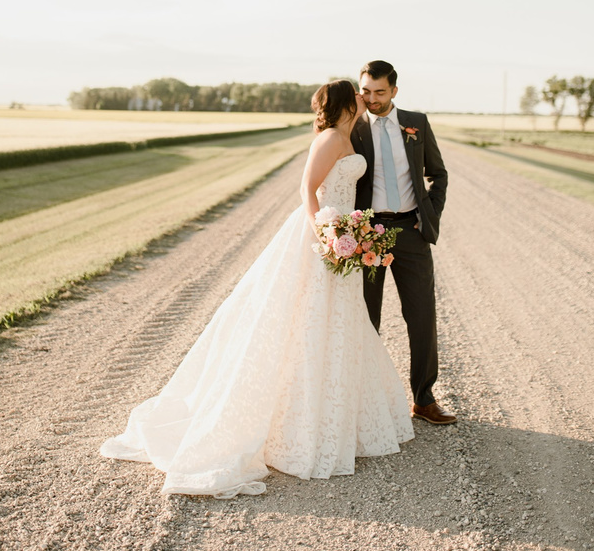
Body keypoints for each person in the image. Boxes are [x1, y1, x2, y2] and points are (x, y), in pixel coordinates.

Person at [100, 79, 413, 497]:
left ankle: (335, 416)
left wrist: (351, 233)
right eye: (356, 92)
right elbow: (307, 190)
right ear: (343, 102)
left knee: (337, 321)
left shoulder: (347, 136)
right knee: (305, 318)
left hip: (344, 233)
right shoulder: (328, 139)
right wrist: (326, 234)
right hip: (322, 236)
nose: (363, 96)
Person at [351, 59, 454, 425]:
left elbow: (438, 173)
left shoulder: (416, 123)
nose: (372, 98)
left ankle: (424, 400)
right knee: (366, 317)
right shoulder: (352, 128)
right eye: (366, 91)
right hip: (368, 234)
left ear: (394, 90)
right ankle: (366, 401)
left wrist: (430, 214)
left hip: (411, 231)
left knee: (422, 315)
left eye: (380, 92)